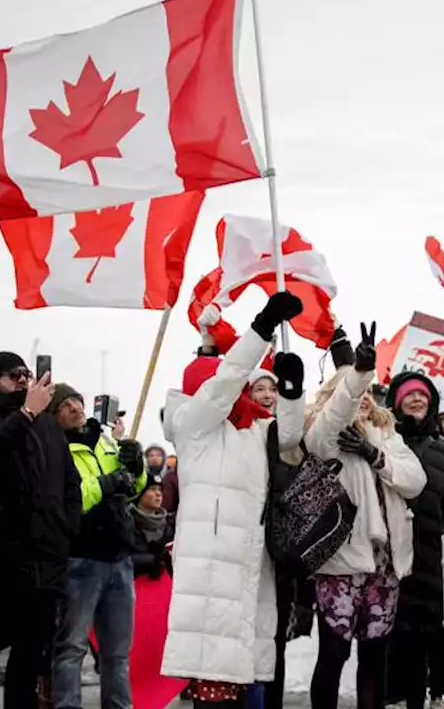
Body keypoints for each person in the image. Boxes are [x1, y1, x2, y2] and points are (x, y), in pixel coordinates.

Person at [160, 294, 307, 708]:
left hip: (248, 571)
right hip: (210, 577)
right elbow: (224, 382)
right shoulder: (194, 426)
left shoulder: (253, 431)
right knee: (215, 690)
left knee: (246, 685)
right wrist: (261, 328)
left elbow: (291, 437)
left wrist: (292, 392)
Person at [303, 324, 426, 709]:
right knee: (334, 655)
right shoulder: (326, 437)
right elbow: (339, 410)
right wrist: (358, 374)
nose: (365, 398)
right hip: (340, 563)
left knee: (375, 658)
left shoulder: (386, 436)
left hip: (383, 564)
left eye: (370, 392)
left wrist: (376, 456)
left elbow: (415, 481)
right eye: (358, 392)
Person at [0, 351, 80, 709]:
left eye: (27, 374)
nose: (24, 381)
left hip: (45, 559)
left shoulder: (47, 425)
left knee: (29, 657)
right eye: (15, 375)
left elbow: (70, 482)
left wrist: (66, 528)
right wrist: (24, 414)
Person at [50, 383, 148, 709]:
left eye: (76, 401)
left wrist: (137, 467)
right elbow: (70, 499)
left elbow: (133, 490)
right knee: (71, 647)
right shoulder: (56, 450)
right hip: (81, 560)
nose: (75, 408)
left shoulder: (106, 443)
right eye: (64, 406)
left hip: (119, 559)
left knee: (117, 653)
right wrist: (107, 484)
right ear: (54, 416)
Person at [383, 372, 444, 709]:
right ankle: (393, 695)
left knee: (425, 638)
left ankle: (427, 695)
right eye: (409, 395)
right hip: (390, 560)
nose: (417, 400)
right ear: (396, 403)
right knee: (391, 638)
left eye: (422, 395)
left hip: (432, 560)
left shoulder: (441, 451)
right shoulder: (386, 445)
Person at [131, 473, 174, 580]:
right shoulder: (129, 521)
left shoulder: (168, 523)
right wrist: (154, 559)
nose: (158, 494)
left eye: (160, 490)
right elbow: (126, 559)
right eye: (152, 489)